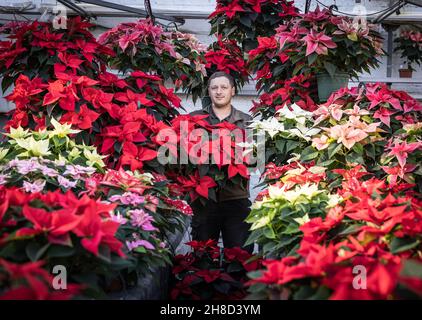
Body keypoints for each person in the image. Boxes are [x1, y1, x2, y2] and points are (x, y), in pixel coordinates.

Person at [189, 71, 253, 253]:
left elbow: (256, 158)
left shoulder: (247, 121)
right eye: (214, 87)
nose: (219, 91)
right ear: (208, 91)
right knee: (203, 256)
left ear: (232, 91)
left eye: (224, 87)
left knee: (240, 255)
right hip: (204, 201)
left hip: (236, 198)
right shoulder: (194, 119)